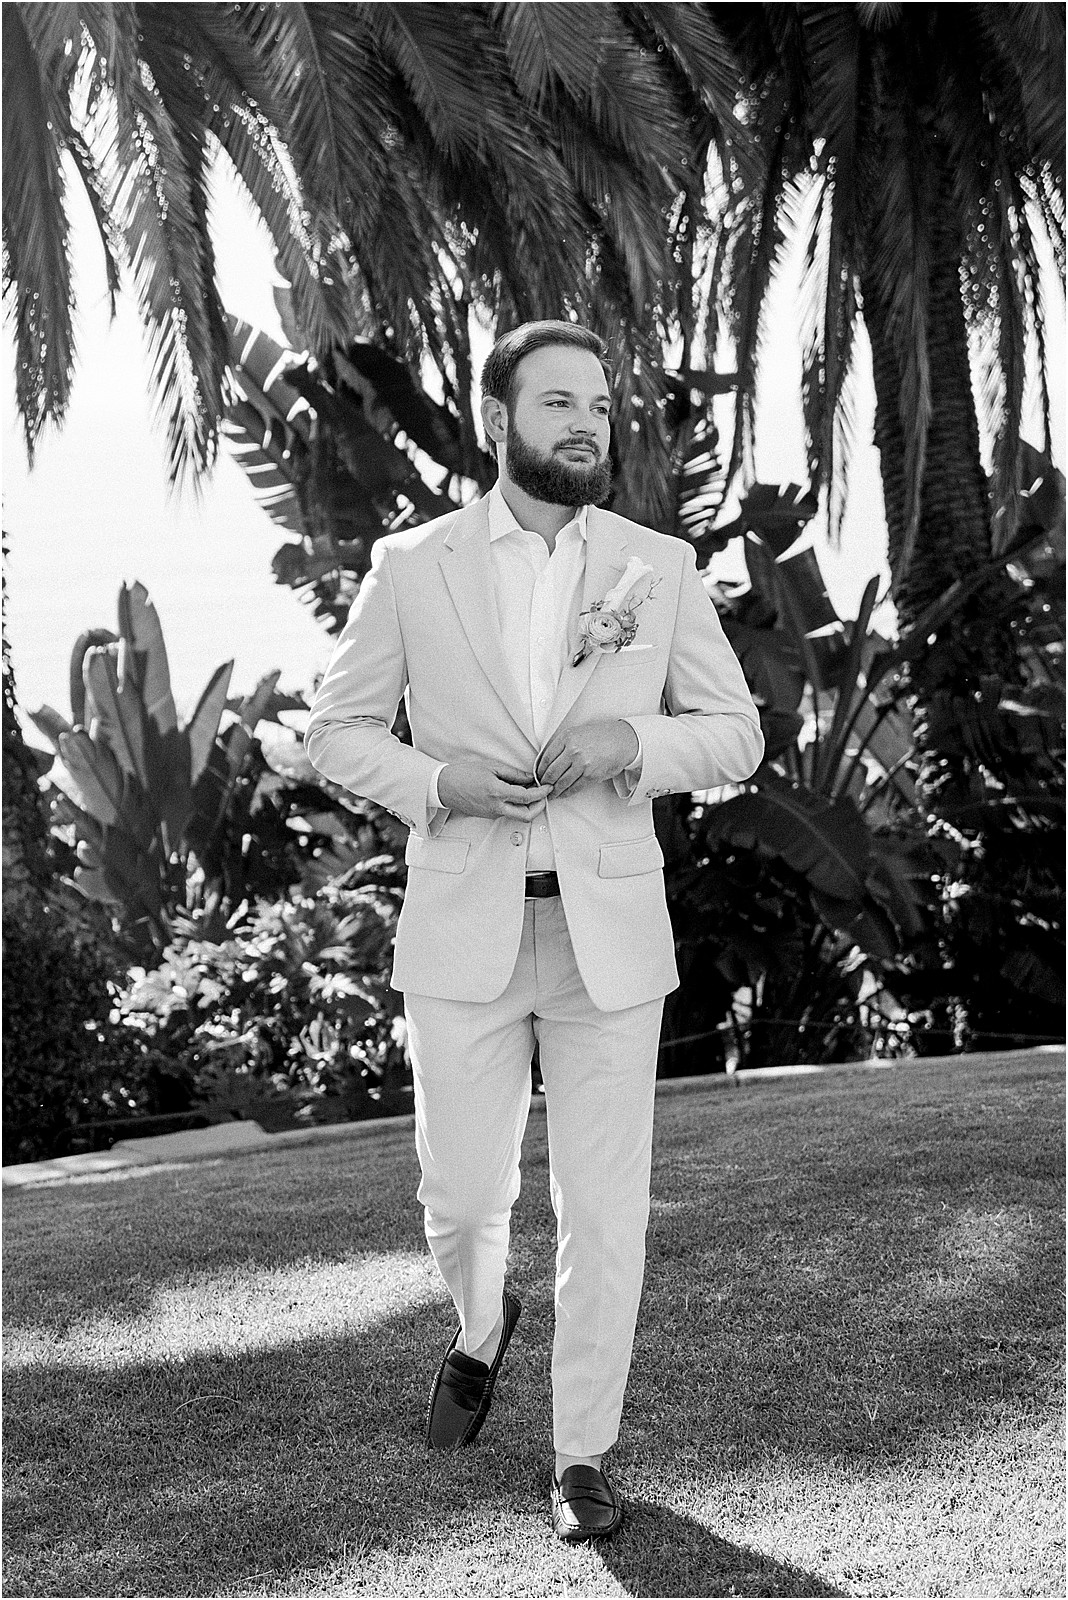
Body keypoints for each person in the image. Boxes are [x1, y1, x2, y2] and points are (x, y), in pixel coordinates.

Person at [304, 320, 763, 1541]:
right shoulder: (414, 565)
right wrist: (438, 782)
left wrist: (634, 742)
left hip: (609, 934)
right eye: (560, 402)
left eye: (601, 407)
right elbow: (335, 731)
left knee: (605, 1211)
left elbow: (736, 731)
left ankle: (581, 1454)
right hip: (465, 927)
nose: (587, 425)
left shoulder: (658, 565)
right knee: (461, 1198)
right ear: (498, 417)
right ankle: (479, 1323)